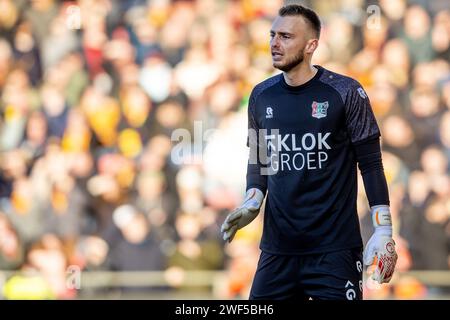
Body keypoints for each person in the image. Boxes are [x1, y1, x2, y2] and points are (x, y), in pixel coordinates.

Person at [221, 4, 398, 300]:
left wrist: (383, 229)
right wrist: (253, 197)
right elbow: (260, 159)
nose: (274, 43)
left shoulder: (345, 92)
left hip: (334, 250)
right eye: (272, 35)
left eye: (286, 36)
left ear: (311, 45)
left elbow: (371, 163)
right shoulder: (261, 95)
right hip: (278, 251)